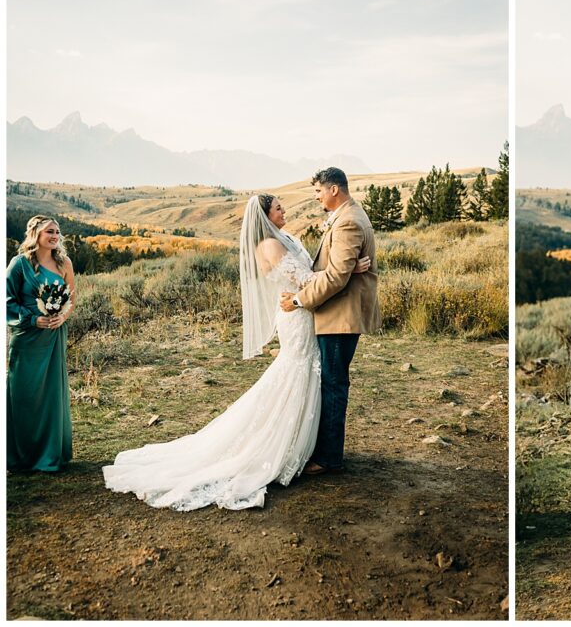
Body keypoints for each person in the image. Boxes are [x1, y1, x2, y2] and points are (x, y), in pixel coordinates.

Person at [102, 194, 370, 510]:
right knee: (296, 374)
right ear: (265, 216)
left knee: (307, 376)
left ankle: (307, 445)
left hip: (305, 311)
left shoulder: (285, 237)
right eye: (279, 208)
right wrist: (348, 269)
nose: (285, 210)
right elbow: (307, 279)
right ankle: (276, 447)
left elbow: (311, 272)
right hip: (296, 316)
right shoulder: (269, 246)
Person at [279, 167, 381, 475]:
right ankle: (325, 451)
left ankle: (328, 459)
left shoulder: (348, 221)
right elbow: (341, 271)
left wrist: (299, 300)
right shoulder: (347, 214)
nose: (317, 197)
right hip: (338, 314)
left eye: (319, 192)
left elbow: (336, 278)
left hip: (341, 316)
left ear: (334, 189)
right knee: (331, 381)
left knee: (334, 384)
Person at [7, 215, 76, 472]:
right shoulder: (19, 264)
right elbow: (7, 300)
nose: (55, 235)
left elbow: (72, 295)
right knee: (23, 394)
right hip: (26, 338)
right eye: (49, 231)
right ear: (35, 234)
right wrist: (32, 320)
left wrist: (62, 317)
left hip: (54, 337)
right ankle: (21, 456)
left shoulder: (64, 262)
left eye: (57, 231)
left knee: (50, 394)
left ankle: (50, 455)